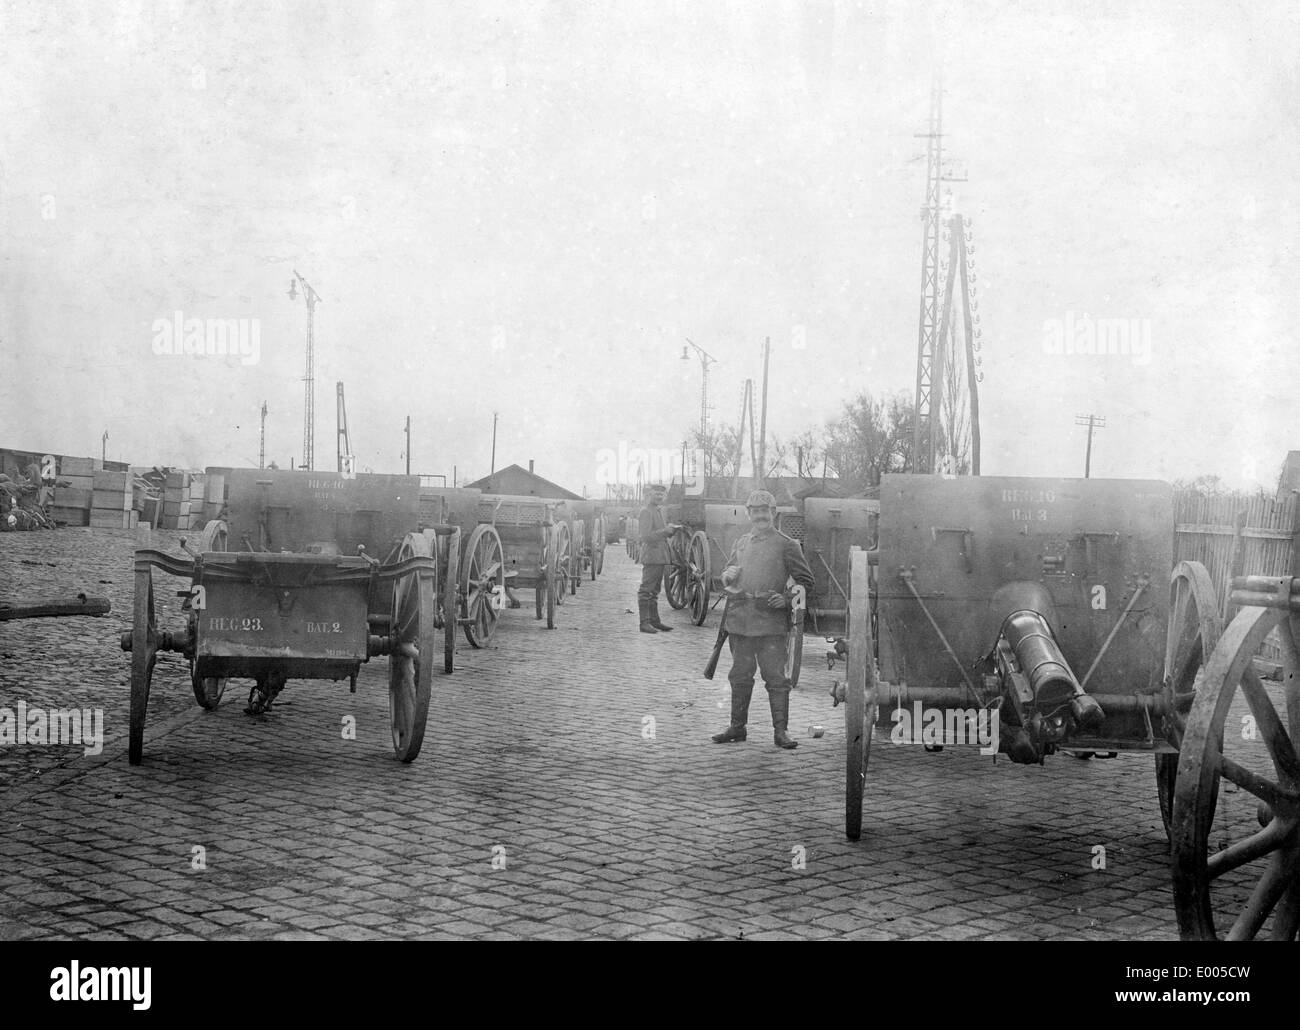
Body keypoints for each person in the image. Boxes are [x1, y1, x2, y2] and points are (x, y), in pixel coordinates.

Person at [712, 489, 814, 749]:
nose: (760, 516)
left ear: (774, 513)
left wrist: (788, 598)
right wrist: (727, 575)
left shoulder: (787, 544)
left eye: (765, 511)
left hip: (770, 622)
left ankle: (781, 733)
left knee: (776, 679)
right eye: (755, 511)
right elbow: (728, 573)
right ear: (749, 514)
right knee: (739, 675)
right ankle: (737, 728)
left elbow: (806, 581)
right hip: (741, 620)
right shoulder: (742, 543)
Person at [635, 483, 678, 633]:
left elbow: (658, 532)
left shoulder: (657, 510)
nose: (659, 497)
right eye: (656, 494)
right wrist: (666, 531)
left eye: (661, 495)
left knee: (654, 590)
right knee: (646, 590)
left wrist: (669, 531)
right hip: (652, 555)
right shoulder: (646, 511)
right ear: (649, 495)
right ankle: (644, 623)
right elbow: (645, 536)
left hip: (659, 556)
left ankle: (655, 621)